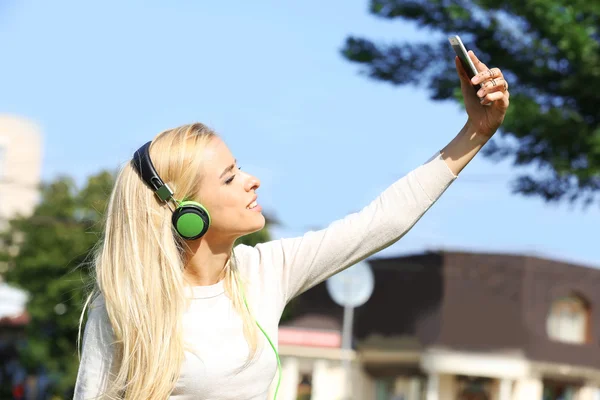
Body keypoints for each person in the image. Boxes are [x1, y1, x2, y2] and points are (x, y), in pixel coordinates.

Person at [74, 50, 510, 400]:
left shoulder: (263, 271)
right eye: (229, 177)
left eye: (239, 167)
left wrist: (476, 131)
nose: (251, 180)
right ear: (187, 213)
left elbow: (383, 221)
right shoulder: (124, 306)